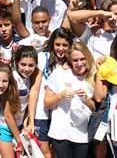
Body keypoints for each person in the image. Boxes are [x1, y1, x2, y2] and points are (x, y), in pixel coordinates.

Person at [44, 41, 96, 158]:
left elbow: (94, 107)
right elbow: (47, 103)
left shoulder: (92, 77)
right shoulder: (59, 74)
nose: (79, 63)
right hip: (60, 131)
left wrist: (86, 99)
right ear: (70, 61)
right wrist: (60, 96)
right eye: (75, 60)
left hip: (81, 132)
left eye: (82, 59)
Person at [35, 28, 74, 158]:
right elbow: (35, 89)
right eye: (57, 44)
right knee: (44, 153)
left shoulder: (73, 62)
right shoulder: (43, 57)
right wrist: (30, 118)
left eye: (65, 45)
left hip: (61, 114)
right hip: (42, 113)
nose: (61, 48)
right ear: (52, 44)